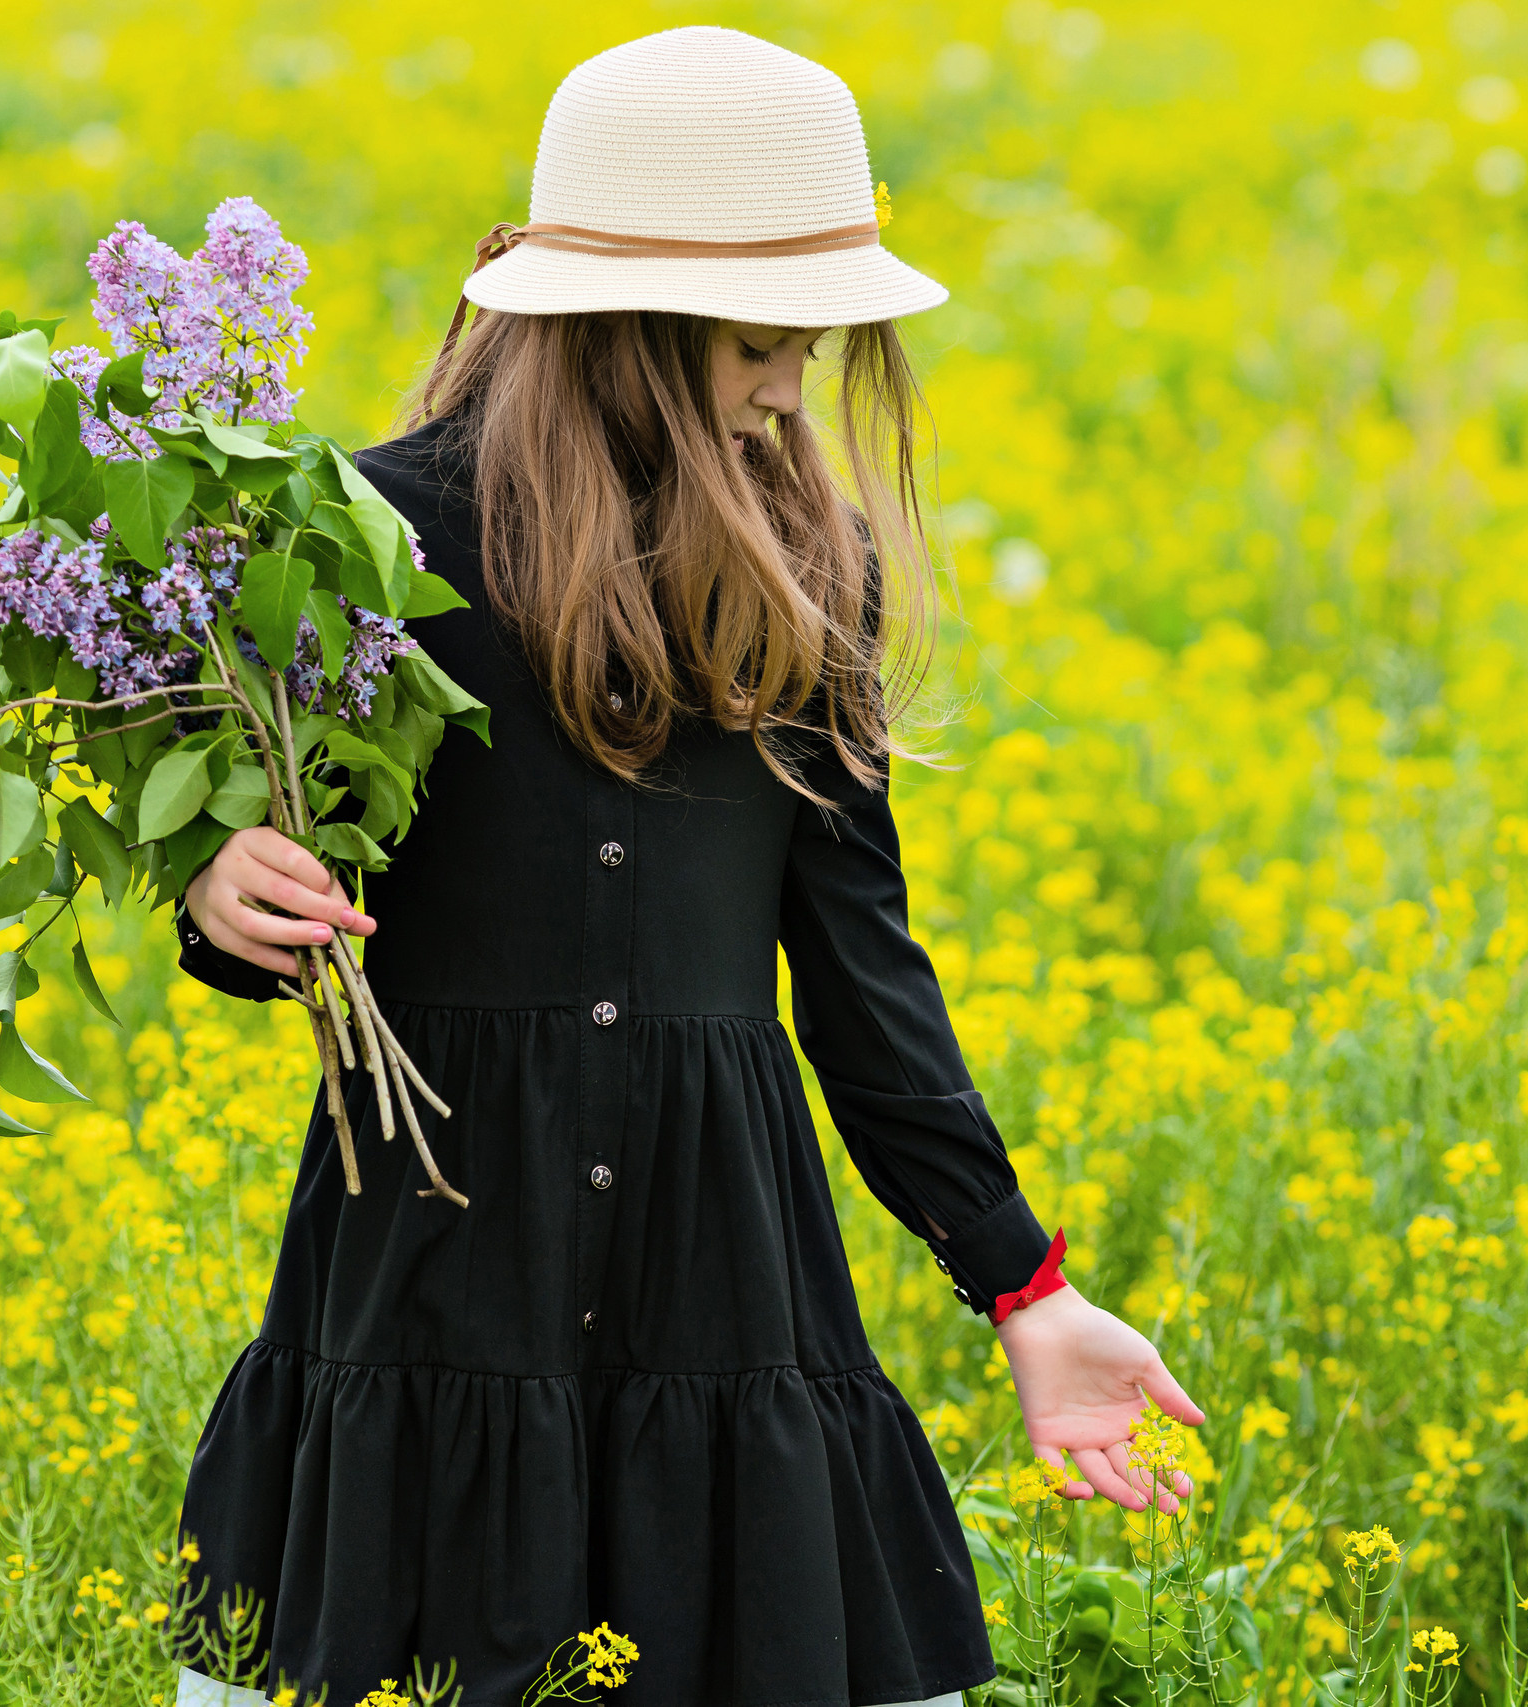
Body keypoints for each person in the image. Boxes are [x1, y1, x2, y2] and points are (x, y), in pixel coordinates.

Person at [166, 25, 1204, 1707]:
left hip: (727, 1276)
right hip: (435, 1265)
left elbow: (863, 973)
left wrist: (1027, 1288)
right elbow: (281, 888)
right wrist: (223, 895)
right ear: (630, 332)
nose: (794, 386)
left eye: (810, 344)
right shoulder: (364, 535)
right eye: (758, 344)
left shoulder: (811, 569)